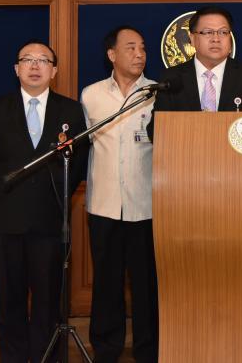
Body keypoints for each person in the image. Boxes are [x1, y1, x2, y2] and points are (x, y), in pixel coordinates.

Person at [0, 40, 85, 363]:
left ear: (54, 70)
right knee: (8, 298)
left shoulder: (70, 111)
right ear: (16, 69)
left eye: (43, 60)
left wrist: (55, 196)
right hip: (7, 221)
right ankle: (12, 357)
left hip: (50, 221)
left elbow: (78, 163)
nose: (35, 66)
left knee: (48, 300)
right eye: (27, 60)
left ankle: (46, 357)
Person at [80, 26, 159, 363]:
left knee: (146, 286)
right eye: (130, 48)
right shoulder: (91, 95)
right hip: (104, 204)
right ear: (111, 54)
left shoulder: (157, 93)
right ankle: (106, 348)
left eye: (142, 48)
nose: (139, 54)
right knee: (106, 283)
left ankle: (148, 350)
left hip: (147, 205)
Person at [149, 6, 242, 133]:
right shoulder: (172, 78)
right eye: (208, 32)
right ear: (192, 39)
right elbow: (156, 131)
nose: (216, 39)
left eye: (223, 32)